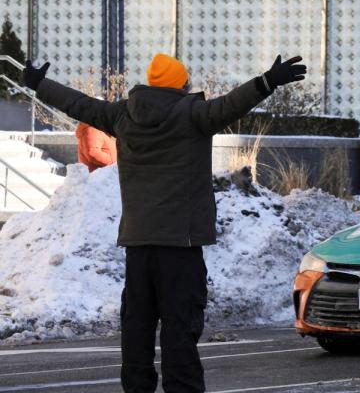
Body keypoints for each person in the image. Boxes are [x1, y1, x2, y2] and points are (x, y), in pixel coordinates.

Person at [22, 52, 306, 393]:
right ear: (180, 85)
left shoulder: (123, 115)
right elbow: (232, 104)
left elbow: (79, 104)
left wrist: (39, 84)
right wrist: (267, 80)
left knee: (137, 329)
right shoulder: (192, 115)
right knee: (180, 329)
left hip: (138, 246)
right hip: (180, 247)